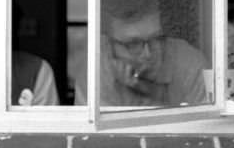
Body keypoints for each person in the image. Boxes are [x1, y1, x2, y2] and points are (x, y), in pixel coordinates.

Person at [74, 10, 209, 106]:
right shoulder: (96, 66)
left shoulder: (190, 62)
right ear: (109, 44)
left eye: (157, 39)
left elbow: (203, 136)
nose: (148, 53)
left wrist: (143, 90)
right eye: (133, 44)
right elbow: (94, 141)